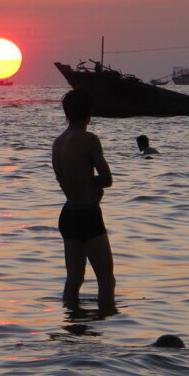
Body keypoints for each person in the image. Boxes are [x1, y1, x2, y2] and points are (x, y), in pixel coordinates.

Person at [52, 88, 116, 311]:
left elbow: (66, 180)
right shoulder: (89, 139)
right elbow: (107, 179)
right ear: (89, 112)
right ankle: (106, 322)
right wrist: (94, 185)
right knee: (106, 277)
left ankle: (70, 323)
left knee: (74, 279)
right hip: (87, 213)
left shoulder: (58, 142)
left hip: (68, 214)